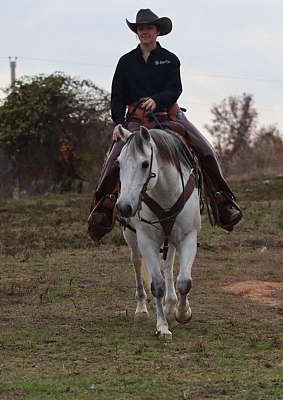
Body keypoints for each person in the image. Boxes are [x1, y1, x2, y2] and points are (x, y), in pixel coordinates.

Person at [88, 8, 242, 242]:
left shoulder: (170, 59)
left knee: (206, 150)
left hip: (169, 116)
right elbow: (117, 96)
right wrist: (118, 123)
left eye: (149, 28)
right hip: (135, 120)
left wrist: (157, 99)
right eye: (141, 28)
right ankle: (103, 208)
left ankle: (223, 201)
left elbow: (175, 89)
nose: (145, 32)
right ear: (137, 32)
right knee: (113, 161)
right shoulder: (125, 62)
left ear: (157, 31)